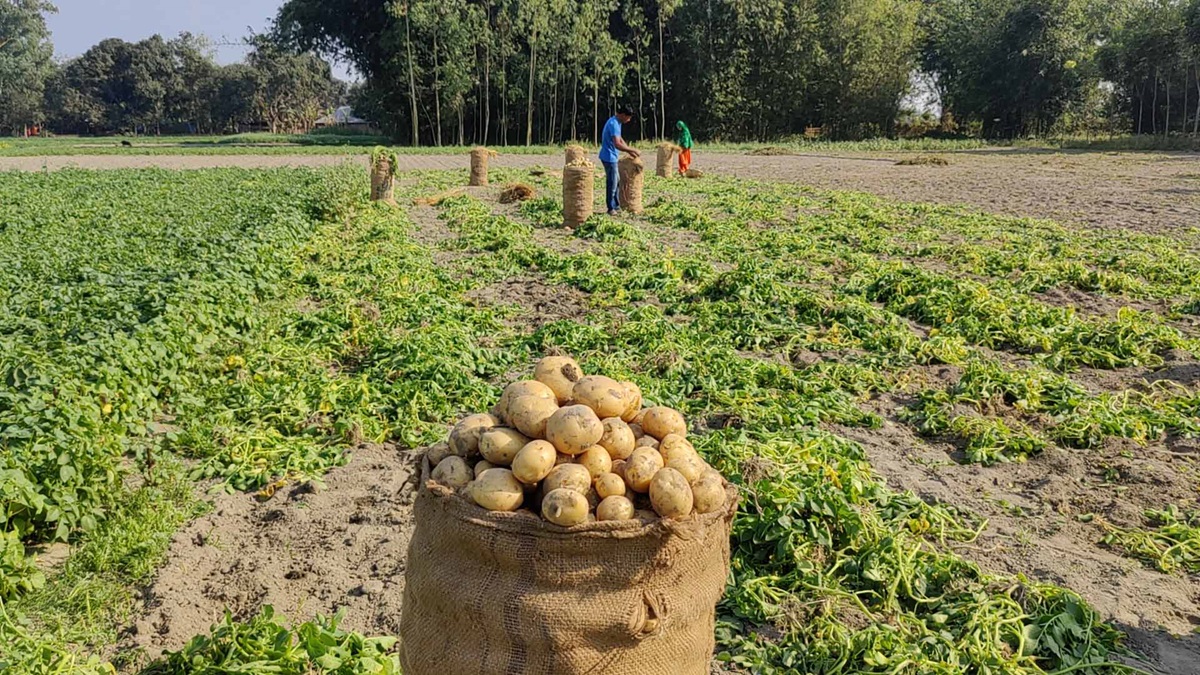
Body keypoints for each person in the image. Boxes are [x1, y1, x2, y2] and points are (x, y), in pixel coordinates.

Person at [599, 106, 640, 216]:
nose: (629, 120)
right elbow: (617, 144)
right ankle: (611, 208)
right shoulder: (613, 124)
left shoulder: (617, 122)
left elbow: (620, 139)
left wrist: (629, 152)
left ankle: (616, 206)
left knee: (616, 181)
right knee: (612, 183)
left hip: (611, 156)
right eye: (628, 117)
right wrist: (632, 149)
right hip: (609, 157)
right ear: (623, 115)